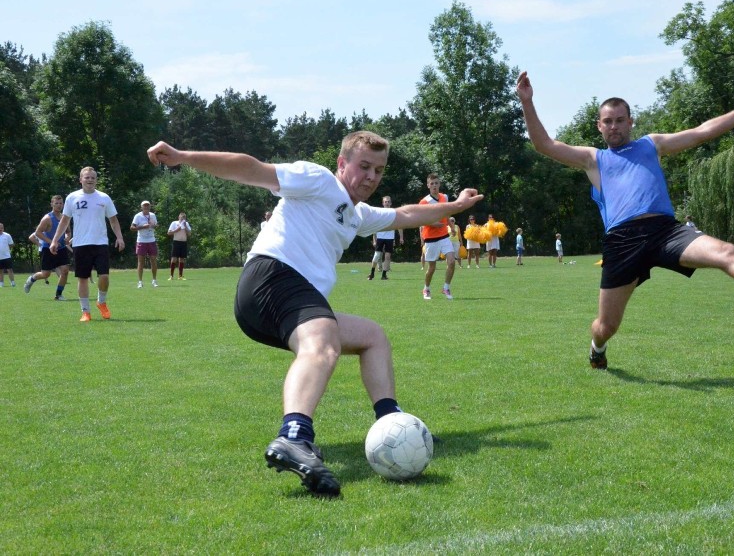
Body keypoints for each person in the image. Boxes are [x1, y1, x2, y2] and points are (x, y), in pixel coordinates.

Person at [146, 131, 482, 497]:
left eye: (379, 170)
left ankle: (391, 421)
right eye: (364, 166)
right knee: (322, 344)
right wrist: (183, 156)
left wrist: (453, 209)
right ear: (342, 164)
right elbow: (251, 168)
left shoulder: (356, 214)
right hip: (272, 277)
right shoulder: (318, 180)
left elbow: (405, 215)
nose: (371, 177)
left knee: (372, 337)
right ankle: (294, 436)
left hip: (288, 299)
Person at [516, 70, 734, 370]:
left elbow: (701, 132)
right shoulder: (593, 159)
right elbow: (544, 145)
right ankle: (597, 349)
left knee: (726, 252)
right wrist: (527, 102)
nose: (614, 126)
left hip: (666, 231)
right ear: (599, 126)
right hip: (622, 243)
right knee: (606, 326)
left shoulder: (650, 145)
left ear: (631, 122)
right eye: (607, 122)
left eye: (620, 120)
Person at [50, 166, 125, 322]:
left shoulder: (104, 198)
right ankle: (85, 312)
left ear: (96, 180)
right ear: (81, 180)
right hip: (81, 244)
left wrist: (119, 237)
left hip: (100, 243)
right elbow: (64, 221)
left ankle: (101, 302)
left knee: (104, 276)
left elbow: (113, 220)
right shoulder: (72, 198)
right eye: (87, 177)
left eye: (93, 177)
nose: (90, 180)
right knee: (82, 278)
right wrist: (55, 240)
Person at [23, 195, 72, 299]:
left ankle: (58, 295)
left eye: (61, 203)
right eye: (56, 203)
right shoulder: (47, 218)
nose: (59, 205)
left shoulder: (65, 217)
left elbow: (68, 232)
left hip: (61, 248)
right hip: (48, 249)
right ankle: (32, 279)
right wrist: (51, 242)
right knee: (46, 274)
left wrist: (67, 238)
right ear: (52, 204)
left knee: (65, 270)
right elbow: (38, 232)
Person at [420, 173, 458, 300]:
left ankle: (446, 288)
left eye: (436, 183)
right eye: (432, 183)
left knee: (452, 261)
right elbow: (420, 220)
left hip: (444, 236)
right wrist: (432, 223)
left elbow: (446, 213)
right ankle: (426, 289)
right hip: (430, 238)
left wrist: (451, 227)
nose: (434, 186)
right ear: (428, 185)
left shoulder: (444, 197)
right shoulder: (424, 201)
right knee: (432, 268)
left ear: (439, 184)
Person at [368, 196, 403, 280]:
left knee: (387, 257)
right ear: (383, 203)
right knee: (377, 255)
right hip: (380, 238)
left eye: (388, 202)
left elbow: (399, 226)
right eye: (385, 202)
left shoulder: (394, 213)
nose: (387, 203)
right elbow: (375, 227)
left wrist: (401, 237)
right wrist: (374, 239)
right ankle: (372, 273)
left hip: (390, 238)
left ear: (390, 203)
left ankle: (384, 275)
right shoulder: (379, 213)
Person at [130, 201, 159, 288]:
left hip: (151, 239)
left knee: (153, 260)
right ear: (141, 207)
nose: (146, 207)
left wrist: (155, 226)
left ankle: (154, 280)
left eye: (148, 206)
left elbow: (156, 225)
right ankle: (140, 281)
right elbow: (132, 228)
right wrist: (143, 227)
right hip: (141, 240)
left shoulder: (153, 215)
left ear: (150, 207)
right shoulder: (138, 216)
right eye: (144, 206)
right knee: (140, 261)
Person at [167, 212, 192, 280]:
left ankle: (180, 276)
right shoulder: (174, 223)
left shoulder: (186, 224)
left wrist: (185, 227)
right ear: (178, 218)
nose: (182, 219)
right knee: (174, 259)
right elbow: (169, 233)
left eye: (184, 218)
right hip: (176, 242)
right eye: (181, 218)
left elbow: (189, 234)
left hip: (183, 242)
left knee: (182, 259)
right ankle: (171, 276)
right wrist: (177, 230)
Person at [0, 223, 15, 287]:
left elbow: (11, 244)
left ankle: (12, 283)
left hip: (7, 256)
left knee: (10, 270)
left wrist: (6, 249)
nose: (0, 229)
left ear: (3, 228)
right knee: (0, 271)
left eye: (1, 227)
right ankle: (1, 284)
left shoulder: (7, 235)